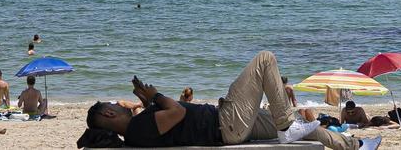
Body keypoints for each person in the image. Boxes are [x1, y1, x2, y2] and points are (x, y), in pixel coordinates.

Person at [85, 50, 381, 149]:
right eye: (112, 106)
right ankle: (285, 125)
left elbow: (170, 122)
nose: (117, 104)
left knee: (301, 126)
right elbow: (175, 113)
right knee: (265, 60)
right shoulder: (137, 131)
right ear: (110, 116)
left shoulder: (140, 129)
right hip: (225, 124)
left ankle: (354, 145)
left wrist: (148, 102)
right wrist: (156, 96)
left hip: (230, 126)